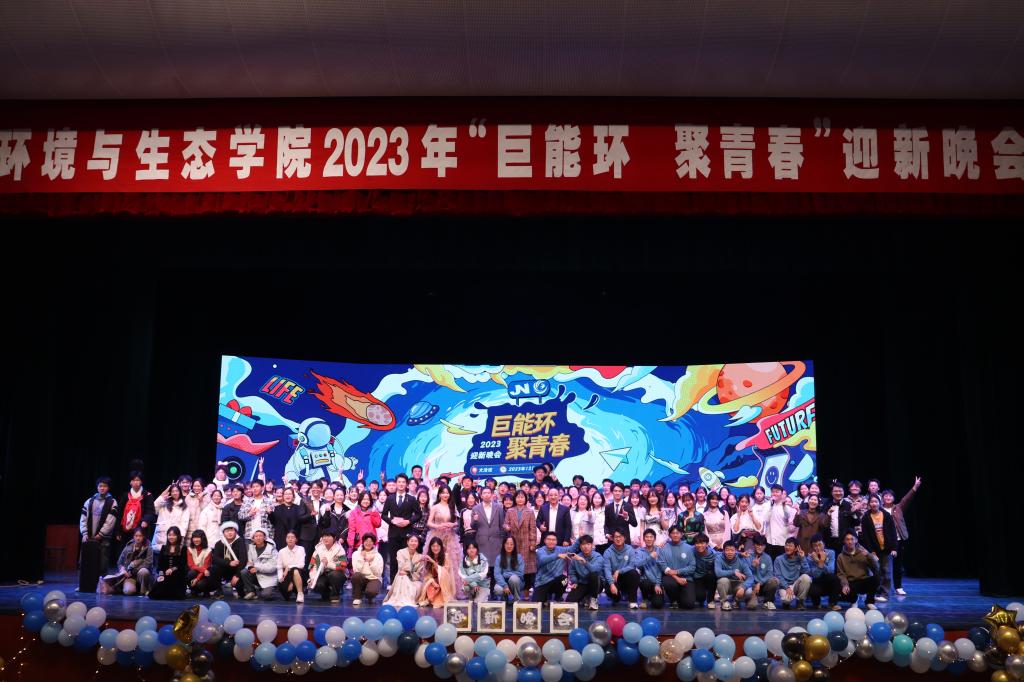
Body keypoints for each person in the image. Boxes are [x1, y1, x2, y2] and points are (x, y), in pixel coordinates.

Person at [882, 476, 921, 596]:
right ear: (882, 498)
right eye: (885, 496)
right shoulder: (879, 510)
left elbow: (906, 499)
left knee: (897, 565)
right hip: (883, 541)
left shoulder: (898, 508)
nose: (888, 497)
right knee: (883, 566)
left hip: (898, 541)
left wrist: (915, 487)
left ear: (893, 498)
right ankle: (883, 588)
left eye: (890, 496)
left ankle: (898, 587)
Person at [80, 476, 119, 586]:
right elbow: (83, 518)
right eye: (100, 486)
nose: (102, 488)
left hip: (103, 538)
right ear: (97, 487)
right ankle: (86, 585)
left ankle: (102, 586)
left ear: (108, 488)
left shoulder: (112, 502)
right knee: (86, 563)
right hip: (89, 537)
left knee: (102, 563)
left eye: (105, 486)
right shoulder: (90, 501)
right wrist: (84, 533)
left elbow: (111, 521)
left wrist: (101, 534)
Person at [381, 474, 421, 582]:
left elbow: (418, 514)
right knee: (393, 560)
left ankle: (407, 582)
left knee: (406, 559)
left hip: (406, 534)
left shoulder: (412, 499)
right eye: (399, 482)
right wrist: (391, 521)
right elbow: (383, 515)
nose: (401, 484)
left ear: (407, 484)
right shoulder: (390, 498)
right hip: (393, 533)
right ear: (396, 483)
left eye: (403, 482)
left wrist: (409, 521)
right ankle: (393, 582)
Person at [859, 494, 897, 602]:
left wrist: (894, 548)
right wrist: (871, 551)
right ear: (869, 504)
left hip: (887, 549)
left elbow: (893, 533)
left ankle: (885, 594)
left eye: (876, 501)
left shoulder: (886, 515)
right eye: (871, 502)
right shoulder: (866, 517)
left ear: (880, 503)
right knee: (876, 572)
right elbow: (865, 537)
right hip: (874, 550)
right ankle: (874, 593)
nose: (874, 504)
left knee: (887, 573)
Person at [426, 485, 463, 596]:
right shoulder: (435, 507)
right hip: (437, 536)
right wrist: (438, 526)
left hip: (450, 537)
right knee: (436, 561)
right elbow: (429, 523)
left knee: (451, 563)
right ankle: (435, 590)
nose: (445, 495)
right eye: (443, 493)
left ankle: (451, 590)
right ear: (439, 494)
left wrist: (452, 524)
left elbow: (457, 523)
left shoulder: (452, 506)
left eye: (447, 493)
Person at [101, 527, 153, 596]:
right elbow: (120, 562)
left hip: (140, 575)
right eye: (136, 536)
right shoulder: (129, 546)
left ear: (143, 537)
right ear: (133, 536)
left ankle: (143, 591)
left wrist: (133, 571)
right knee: (128, 591)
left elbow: (148, 563)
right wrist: (122, 569)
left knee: (144, 571)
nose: (138, 538)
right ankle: (128, 588)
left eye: (140, 536)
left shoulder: (148, 547)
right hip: (129, 576)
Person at [836, 531, 881, 610]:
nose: (850, 542)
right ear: (844, 541)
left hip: (864, 580)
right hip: (851, 583)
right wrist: (845, 584)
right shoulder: (841, 556)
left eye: (852, 539)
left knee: (877, 578)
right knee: (841, 589)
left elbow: (876, 568)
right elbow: (841, 574)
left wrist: (869, 555)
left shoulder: (863, 552)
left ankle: (869, 602)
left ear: (856, 540)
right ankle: (854, 600)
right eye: (847, 539)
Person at [533, 532, 579, 603]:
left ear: (556, 541)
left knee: (564, 579)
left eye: (553, 540)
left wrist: (580, 538)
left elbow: (573, 548)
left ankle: (557, 598)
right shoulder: (540, 551)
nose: (551, 541)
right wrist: (557, 555)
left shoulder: (561, 549)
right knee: (536, 604)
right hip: (542, 582)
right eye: (549, 539)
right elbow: (543, 560)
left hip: (556, 581)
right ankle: (546, 596)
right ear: (545, 541)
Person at [658, 525, 697, 609]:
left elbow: (692, 567)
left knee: (689, 604)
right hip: (670, 577)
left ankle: (680, 597)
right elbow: (663, 566)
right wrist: (676, 577)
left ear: (681, 534)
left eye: (677, 533)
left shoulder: (689, 548)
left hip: (686, 578)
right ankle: (673, 599)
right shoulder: (663, 548)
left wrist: (678, 571)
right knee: (669, 583)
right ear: (669, 535)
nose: (675, 535)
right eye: (673, 533)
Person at [116, 472, 156, 550]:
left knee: (139, 552)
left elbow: (150, 511)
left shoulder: (147, 495)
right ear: (130, 482)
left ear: (141, 482)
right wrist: (118, 531)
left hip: (140, 530)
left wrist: (145, 520)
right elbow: (120, 513)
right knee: (125, 551)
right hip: (126, 531)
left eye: (138, 480)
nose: (135, 482)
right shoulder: (125, 495)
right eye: (133, 480)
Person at [602, 528, 641, 608]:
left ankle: (632, 601)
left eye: (620, 536)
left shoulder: (630, 549)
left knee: (634, 573)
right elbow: (607, 570)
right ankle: (616, 598)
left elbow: (632, 565)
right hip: (614, 579)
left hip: (626, 577)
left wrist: (619, 571)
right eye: (616, 537)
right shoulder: (608, 552)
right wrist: (611, 584)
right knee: (608, 588)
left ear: (624, 538)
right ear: (612, 538)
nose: (618, 539)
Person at [384, 534, 425, 608]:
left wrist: (407, 572)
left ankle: (407, 600)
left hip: (414, 580)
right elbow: (401, 567)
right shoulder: (400, 552)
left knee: (405, 576)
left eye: (415, 541)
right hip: (401, 578)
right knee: (402, 576)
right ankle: (402, 600)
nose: (413, 543)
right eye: (411, 541)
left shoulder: (420, 557)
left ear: (418, 543)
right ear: (407, 542)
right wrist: (414, 564)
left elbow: (418, 573)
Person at [308, 529, 348, 603]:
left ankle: (335, 594)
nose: (325, 538)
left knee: (335, 575)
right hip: (322, 573)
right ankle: (326, 593)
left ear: (334, 538)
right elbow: (312, 566)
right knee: (317, 584)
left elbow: (343, 566)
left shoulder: (339, 549)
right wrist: (313, 578)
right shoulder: (318, 549)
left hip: (336, 573)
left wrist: (328, 564)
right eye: (324, 536)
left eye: (328, 536)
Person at [472, 487, 505, 579]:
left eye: (488, 493)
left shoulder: (498, 507)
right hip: (482, 542)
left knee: (496, 569)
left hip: (496, 542)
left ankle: (495, 587)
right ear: (481, 495)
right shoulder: (476, 508)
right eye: (484, 493)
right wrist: (475, 520)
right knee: (483, 569)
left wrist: (501, 541)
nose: (486, 495)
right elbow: (473, 527)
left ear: (492, 494)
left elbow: (502, 525)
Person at [210, 520, 248, 598]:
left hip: (237, 569)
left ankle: (240, 590)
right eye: (227, 531)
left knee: (239, 585)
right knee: (214, 568)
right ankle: (219, 590)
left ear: (236, 532)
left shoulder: (240, 541)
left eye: (232, 530)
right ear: (223, 533)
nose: (230, 533)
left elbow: (243, 559)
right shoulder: (219, 543)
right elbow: (215, 559)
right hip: (224, 568)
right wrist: (229, 563)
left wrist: (237, 575)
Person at [148, 526, 188, 600]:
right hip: (165, 574)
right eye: (169, 535)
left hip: (178, 574)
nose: (171, 537)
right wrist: (161, 574)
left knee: (176, 595)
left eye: (174, 535)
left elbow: (183, 564)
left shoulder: (183, 548)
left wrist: (172, 569)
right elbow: (160, 564)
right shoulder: (164, 547)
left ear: (178, 536)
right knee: (154, 594)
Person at [567, 534, 604, 610]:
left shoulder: (598, 556)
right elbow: (572, 572)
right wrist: (575, 581)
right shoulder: (576, 557)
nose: (586, 546)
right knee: (569, 601)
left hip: (596, 584)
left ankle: (593, 599)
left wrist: (584, 561)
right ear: (580, 547)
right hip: (582, 583)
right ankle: (586, 596)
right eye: (583, 544)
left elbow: (595, 570)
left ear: (592, 545)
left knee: (593, 574)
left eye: (588, 544)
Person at [742, 534, 780, 610]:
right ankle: (749, 599)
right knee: (752, 606)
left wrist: (760, 583)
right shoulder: (748, 556)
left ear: (765, 546)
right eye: (758, 545)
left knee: (774, 581)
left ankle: (768, 601)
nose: (760, 547)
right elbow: (746, 575)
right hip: (751, 586)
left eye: (762, 545)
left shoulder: (767, 557)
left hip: (763, 584)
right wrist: (753, 566)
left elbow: (770, 574)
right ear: (753, 545)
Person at [805, 534, 842, 610]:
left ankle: (832, 604)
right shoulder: (809, 557)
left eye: (820, 545)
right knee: (809, 584)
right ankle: (816, 604)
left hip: (828, 583)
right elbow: (815, 575)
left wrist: (820, 561)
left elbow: (831, 570)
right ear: (812, 547)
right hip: (817, 583)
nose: (818, 548)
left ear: (824, 544)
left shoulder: (831, 553)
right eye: (815, 546)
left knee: (835, 579)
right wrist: (819, 561)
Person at [774, 537, 811, 610]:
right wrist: (787, 587)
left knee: (806, 578)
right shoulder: (779, 559)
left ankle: (800, 601)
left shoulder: (799, 558)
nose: (787, 547)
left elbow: (807, 572)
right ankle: (786, 603)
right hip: (784, 586)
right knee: (786, 600)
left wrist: (803, 558)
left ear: (796, 548)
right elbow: (778, 576)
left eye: (790, 546)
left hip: (795, 585)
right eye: (786, 545)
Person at [418, 537, 455, 607]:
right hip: (434, 581)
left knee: (439, 598)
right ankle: (429, 599)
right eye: (433, 546)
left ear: (441, 547)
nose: (435, 548)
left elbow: (445, 572)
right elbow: (428, 573)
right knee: (429, 586)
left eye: (438, 546)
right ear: (430, 547)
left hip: (443, 582)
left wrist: (433, 562)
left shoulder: (445, 556)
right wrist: (432, 581)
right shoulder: (429, 557)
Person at [349, 533, 384, 605]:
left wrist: (370, 562)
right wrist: (362, 558)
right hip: (361, 578)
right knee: (356, 576)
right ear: (363, 542)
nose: (368, 543)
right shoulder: (356, 554)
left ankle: (368, 595)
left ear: (373, 543)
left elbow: (378, 573)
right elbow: (356, 570)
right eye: (366, 541)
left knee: (371, 592)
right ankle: (357, 597)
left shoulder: (378, 556)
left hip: (374, 578)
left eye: (371, 541)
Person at [152, 484, 189, 552]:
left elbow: (184, 523)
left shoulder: (184, 506)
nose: (175, 493)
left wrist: (181, 537)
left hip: (175, 536)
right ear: (170, 493)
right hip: (161, 535)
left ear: (180, 492)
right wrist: (161, 499)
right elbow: (153, 508)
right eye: (173, 491)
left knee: (173, 554)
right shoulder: (164, 503)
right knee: (159, 554)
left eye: (176, 491)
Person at [763, 484, 797, 560]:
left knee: (781, 562)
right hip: (769, 540)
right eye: (773, 492)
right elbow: (765, 519)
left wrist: (784, 506)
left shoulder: (786, 507)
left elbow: (787, 518)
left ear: (782, 494)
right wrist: (770, 506)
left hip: (782, 541)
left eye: (777, 492)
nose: (774, 493)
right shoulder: (767, 505)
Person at [635, 528, 666, 608]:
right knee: (643, 581)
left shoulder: (659, 551)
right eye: (647, 537)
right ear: (644, 539)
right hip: (646, 581)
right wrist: (650, 557)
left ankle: (653, 596)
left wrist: (658, 584)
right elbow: (637, 564)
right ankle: (645, 598)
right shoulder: (639, 551)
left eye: (651, 537)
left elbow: (661, 569)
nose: (649, 539)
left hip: (657, 582)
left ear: (654, 539)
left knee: (657, 604)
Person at [713, 540, 749, 611]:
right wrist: (733, 572)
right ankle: (724, 602)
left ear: (736, 551)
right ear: (723, 551)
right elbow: (718, 573)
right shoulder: (719, 558)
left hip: (737, 584)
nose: (730, 552)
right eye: (727, 550)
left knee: (748, 591)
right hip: (726, 584)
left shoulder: (741, 558)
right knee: (722, 580)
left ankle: (736, 601)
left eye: (732, 550)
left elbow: (750, 576)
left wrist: (743, 587)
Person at [821, 482, 854, 554]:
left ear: (844, 492)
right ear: (832, 493)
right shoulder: (826, 505)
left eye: (840, 491)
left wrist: (853, 513)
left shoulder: (849, 505)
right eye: (835, 491)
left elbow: (856, 522)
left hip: (845, 542)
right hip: (829, 542)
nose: (838, 493)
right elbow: (823, 524)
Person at [277, 530, 307, 603]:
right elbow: (279, 567)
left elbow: (301, 565)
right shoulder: (281, 551)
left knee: (295, 570)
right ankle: (292, 587)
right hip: (286, 575)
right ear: (286, 539)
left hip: (299, 574)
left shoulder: (301, 549)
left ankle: (300, 593)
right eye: (288, 537)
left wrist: (288, 567)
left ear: (296, 539)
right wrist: (280, 578)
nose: (290, 539)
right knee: (286, 594)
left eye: (292, 537)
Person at [493, 536, 526, 601]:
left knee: (514, 578)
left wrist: (505, 574)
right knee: (497, 589)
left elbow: (521, 573)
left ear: (514, 546)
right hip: (503, 582)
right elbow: (497, 575)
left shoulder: (519, 557)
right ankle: (504, 600)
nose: (509, 546)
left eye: (511, 544)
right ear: (503, 545)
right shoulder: (499, 558)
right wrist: (505, 585)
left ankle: (516, 600)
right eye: (507, 543)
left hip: (517, 583)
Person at [691, 533, 718, 609]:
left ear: (707, 544)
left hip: (709, 576)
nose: (700, 545)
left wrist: (740, 554)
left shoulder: (713, 554)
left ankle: (710, 600)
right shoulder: (691, 551)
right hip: (697, 577)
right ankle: (700, 597)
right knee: (700, 597)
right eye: (697, 543)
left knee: (713, 575)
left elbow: (724, 554)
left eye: (702, 543)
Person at [186, 530, 216, 597]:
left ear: (202, 538)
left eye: (198, 537)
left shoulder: (208, 550)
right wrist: (203, 570)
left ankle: (205, 590)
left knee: (200, 584)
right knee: (191, 573)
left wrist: (197, 579)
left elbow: (206, 567)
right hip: (195, 572)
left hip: (204, 575)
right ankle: (193, 589)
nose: (196, 540)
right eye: (194, 537)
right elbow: (191, 565)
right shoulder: (189, 549)